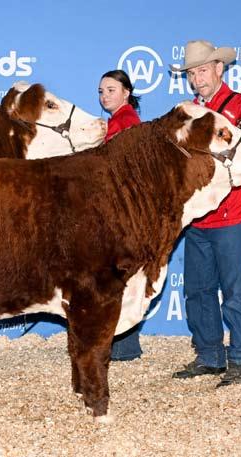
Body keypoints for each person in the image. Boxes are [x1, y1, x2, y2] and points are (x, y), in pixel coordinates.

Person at [170, 40, 241, 387]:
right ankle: (210, 356)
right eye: (191, 73)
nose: (197, 78)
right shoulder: (190, 112)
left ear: (219, 68)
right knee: (197, 290)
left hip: (232, 214)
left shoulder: (238, 105)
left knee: (235, 291)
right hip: (198, 216)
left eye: (203, 70)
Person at [98, 69, 144, 361]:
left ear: (126, 93)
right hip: (121, 207)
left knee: (120, 276)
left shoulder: (125, 122)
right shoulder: (119, 120)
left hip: (122, 209)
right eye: (101, 92)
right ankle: (123, 344)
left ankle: (125, 346)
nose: (104, 96)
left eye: (111, 90)